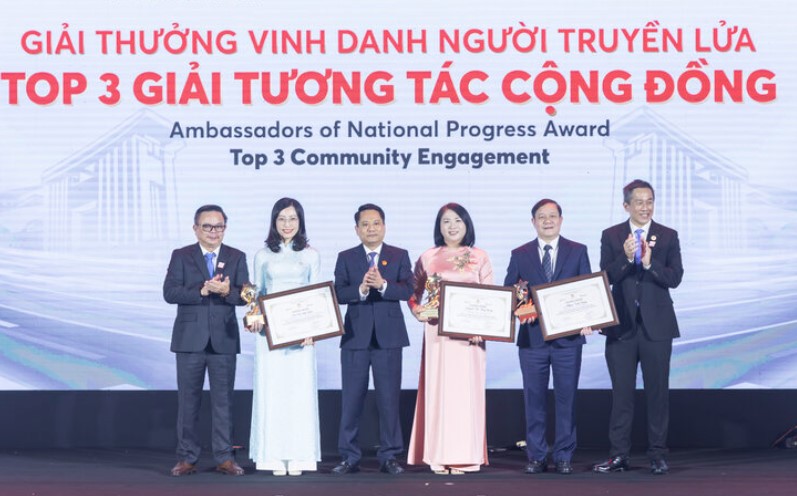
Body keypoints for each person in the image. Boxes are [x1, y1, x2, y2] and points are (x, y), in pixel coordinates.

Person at [592, 179, 684, 476]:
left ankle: (657, 454)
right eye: (639, 202)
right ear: (626, 205)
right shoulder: (612, 235)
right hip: (622, 328)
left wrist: (648, 264)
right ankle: (619, 455)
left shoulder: (668, 236)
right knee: (622, 395)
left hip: (657, 327)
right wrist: (624, 257)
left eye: (650, 201)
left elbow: (674, 278)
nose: (645, 207)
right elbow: (605, 277)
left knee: (658, 393)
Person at [504, 199, 593, 475]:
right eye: (541, 216)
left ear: (561, 220)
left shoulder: (578, 251)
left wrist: (588, 319)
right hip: (532, 340)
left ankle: (564, 455)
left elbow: (588, 291)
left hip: (568, 340)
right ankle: (537, 456)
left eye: (552, 216)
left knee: (567, 399)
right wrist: (520, 305)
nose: (547, 221)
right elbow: (510, 293)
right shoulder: (520, 254)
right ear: (533, 222)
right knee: (534, 400)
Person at [163, 204, 248, 477]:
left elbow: (246, 295)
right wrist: (200, 290)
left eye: (219, 226)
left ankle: (224, 457)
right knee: (189, 402)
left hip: (224, 338)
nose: (214, 231)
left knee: (224, 402)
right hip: (190, 340)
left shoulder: (237, 256)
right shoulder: (181, 256)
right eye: (208, 226)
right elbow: (170, 292)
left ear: (225, 228)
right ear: (196, 228)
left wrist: (227, 292)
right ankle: (187, 457)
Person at [407, 202, 493, 474]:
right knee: (439, 393)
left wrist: (485, 327)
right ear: (438, 227)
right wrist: (417, 310)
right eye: (446, 221)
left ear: (467, 224)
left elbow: (492, 298)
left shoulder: (480, 256)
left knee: (466, 394)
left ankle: (465, 456)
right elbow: (412, 293)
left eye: (457, 220)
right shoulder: (428, 257)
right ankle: (439, 456)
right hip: (437, 335)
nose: (452, 226)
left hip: (471, 337)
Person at [332, 203, 414, 475]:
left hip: (389, 338)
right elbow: (339, 294)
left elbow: (408, 290)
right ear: (357, 229)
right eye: (365, 224)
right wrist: (362, 289)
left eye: (376, 223)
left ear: (384, 226)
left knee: (389, 400)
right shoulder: (346, 257)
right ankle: (349, 456)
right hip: (356, 337)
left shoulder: (399, 255)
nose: (371, 228)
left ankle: (389, 456)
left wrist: (384, 286)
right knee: (351, 399)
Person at [245, 198, 321, 476]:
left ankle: (301, 456)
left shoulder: (311, 254)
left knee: (299, 393)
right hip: (270, 337)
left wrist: (314, 329)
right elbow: (256, 294)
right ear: (273, 222)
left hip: (302, 338)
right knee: (272, 391)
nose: (287, 225)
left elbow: (316, 295)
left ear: (300, 222)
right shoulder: (262, 255)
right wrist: (254, 318)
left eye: (292, 219)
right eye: (282, 219)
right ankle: (272, 456)